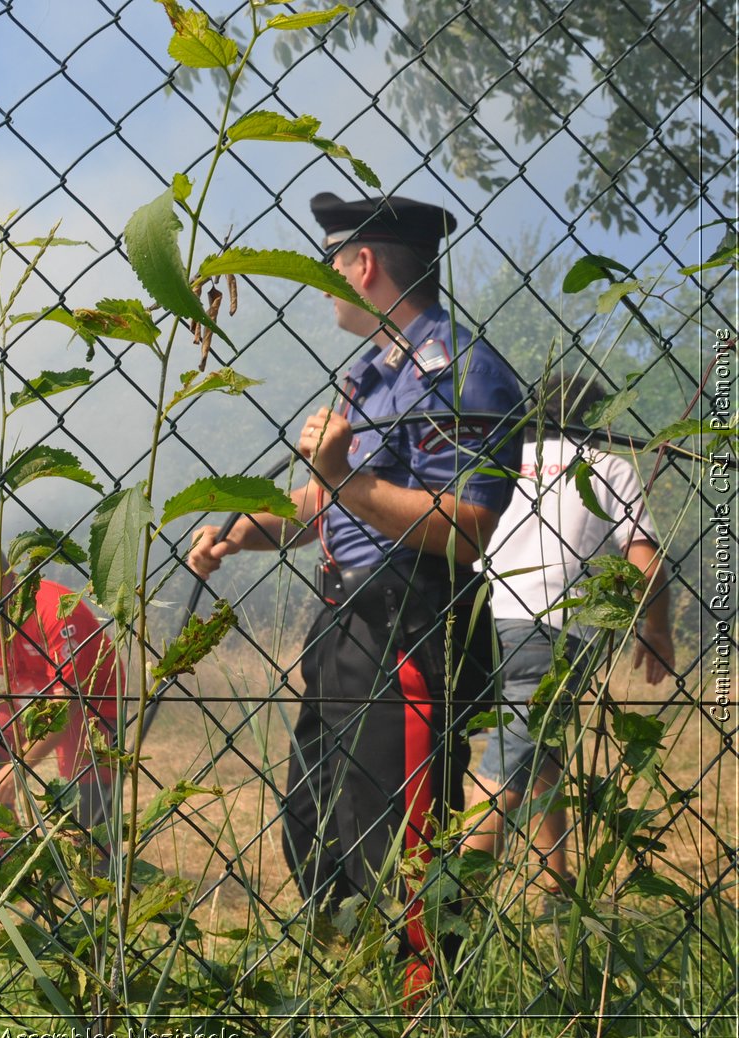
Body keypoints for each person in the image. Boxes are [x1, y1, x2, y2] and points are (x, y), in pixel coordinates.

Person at [185, 193, 525, 996]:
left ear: (362, 264)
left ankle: (419, 1018)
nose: (326, 280)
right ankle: (352, 1004)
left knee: (399, 852)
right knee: (316, 832)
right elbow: (321, 507)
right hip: (341, 626)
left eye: (331, 264)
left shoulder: (460, 368)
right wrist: (244, 529)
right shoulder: (371, 373)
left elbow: (467, 524)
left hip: (408, 624)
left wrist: (342, 476)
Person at [467, 372, 674, 890]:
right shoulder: (609, 467)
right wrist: (656, 628)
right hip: (554, 630)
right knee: (511, 762)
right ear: (599, 418)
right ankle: (449, 897)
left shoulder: (500, 461)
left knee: (537, 745)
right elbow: (645, 565)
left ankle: (555, 882)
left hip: (480, 620)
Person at [0, 535, 122, 848]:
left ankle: (96, 875)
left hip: (88, 708)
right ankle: (4, 858)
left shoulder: (57, 610)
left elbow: (68, 703)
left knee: (86, 811)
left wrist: (20, 765)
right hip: (20, 702)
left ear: (1, 580)